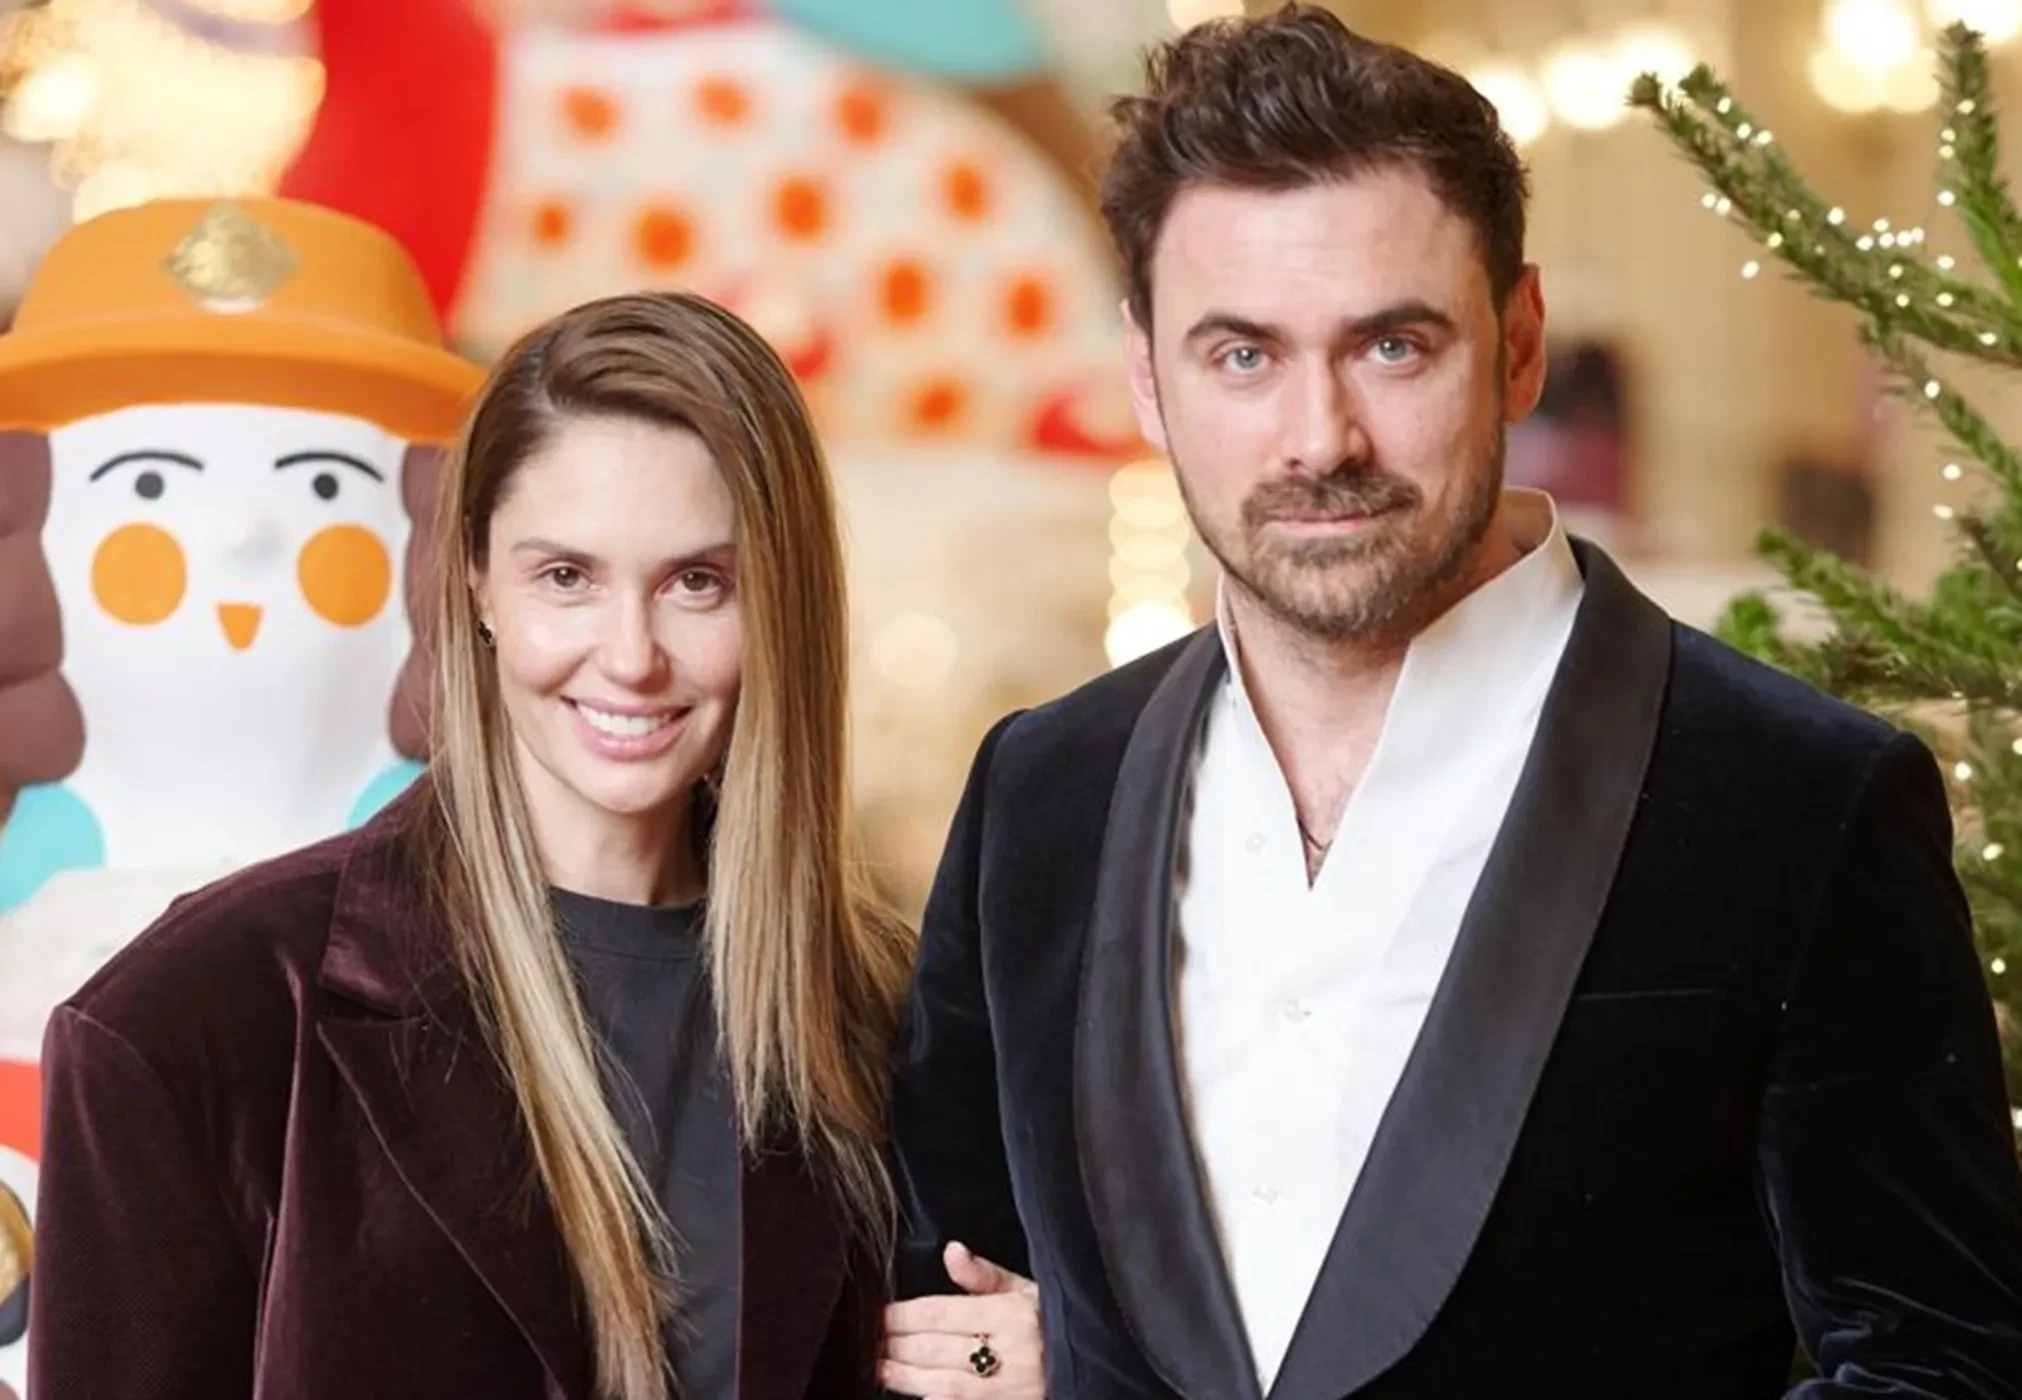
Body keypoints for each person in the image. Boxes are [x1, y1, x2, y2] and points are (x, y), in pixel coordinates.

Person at [888, 7, 2022, 1399]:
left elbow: (1938, 1367)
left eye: (1392, 346)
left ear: (1518, 341)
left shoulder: (1800, 801)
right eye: (1241, 355)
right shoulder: (1037, 791)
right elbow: (938, 1305)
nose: (1319, 439)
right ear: (1148, 377)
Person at [27, 290, 1038, 1399]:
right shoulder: (193, 1021)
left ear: (781, 606)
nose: (632, 656)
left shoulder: (894, 1021)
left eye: (697, 582)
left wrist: (1054, 1372)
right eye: (567, 577)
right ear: (476, 579)